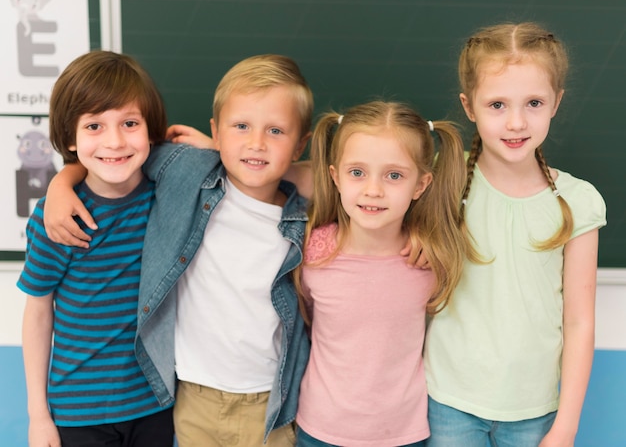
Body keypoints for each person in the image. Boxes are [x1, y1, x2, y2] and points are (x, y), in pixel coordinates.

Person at [41, 53, 314, 447]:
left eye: (276, 132)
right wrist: (61, 183)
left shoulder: (306, 218)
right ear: (217, 131)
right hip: (190, 397)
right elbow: (110, 153)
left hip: (271, 402)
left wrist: (229, 150)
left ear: (300, 143)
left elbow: (342, 177)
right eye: (241, 127)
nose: (256, 143)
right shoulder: (186, 174)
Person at [423, 22, 607, 447]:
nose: (516, 122)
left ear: (557, 102)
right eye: (497, 105)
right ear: (469, 107)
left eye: (534, 103)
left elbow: (579, 322)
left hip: (535, 411)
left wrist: (566, 425)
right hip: (449, 401)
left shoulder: (579, 201)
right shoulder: (440, 183)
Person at [293, 101, 474, 447]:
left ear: (420, 186)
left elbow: (488, 166)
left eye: (394, 175)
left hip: (403, 435)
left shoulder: (430, 258)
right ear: (335, 177)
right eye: (357, 172)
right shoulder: (311, 252)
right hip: (320, 430)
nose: (373, 190)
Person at [18, 51, 174, 447]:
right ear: (70, 138)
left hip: (155, 404)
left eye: (130, 123)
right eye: (94, 126)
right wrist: (38, 416)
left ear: (151, 129)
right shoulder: (58, 218)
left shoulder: (170, 196)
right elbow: (38, 312)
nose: (115, 141)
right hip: (77, 412)